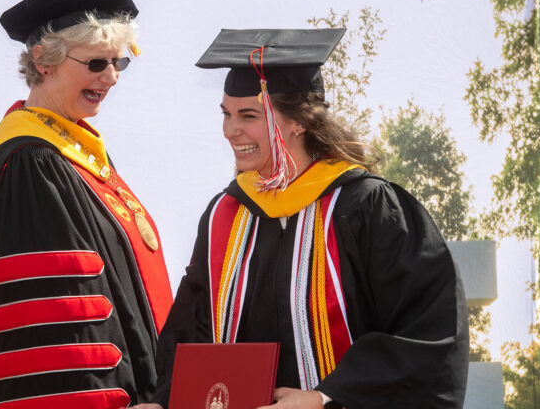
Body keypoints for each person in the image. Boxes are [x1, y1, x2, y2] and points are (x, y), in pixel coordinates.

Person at [137, 29, 468, 409]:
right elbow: (190, 332)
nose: (231, 130)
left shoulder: (367, 207)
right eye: (226, 114)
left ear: (299, 122)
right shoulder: (223, 218)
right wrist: (165, 401)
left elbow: (428, 329)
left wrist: (325, 397)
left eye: (249, 115)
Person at [0, 0, 173, 409]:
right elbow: (59, 326)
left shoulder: (79, 159)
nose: (112, 76)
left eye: (119, 63)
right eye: (97, 63)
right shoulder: (28, 167)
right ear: (43, 61)